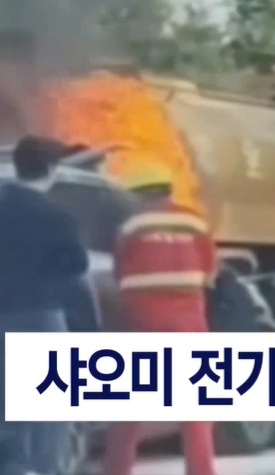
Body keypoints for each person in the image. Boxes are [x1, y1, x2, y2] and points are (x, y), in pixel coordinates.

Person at [0, 135, 88, 475]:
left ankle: (14, 467)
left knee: (7, 402)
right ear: (51, 169)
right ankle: (46, 468)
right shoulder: (58, 216)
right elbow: (76, 266)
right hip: (41, 315)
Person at [102, 162, 218, 475]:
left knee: (129, 410)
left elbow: (120, 273)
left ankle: (116, 471)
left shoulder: (132, 226)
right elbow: (209, 273)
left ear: (139, 194)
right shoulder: (195, 222)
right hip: (189, 326)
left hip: (143, 324)